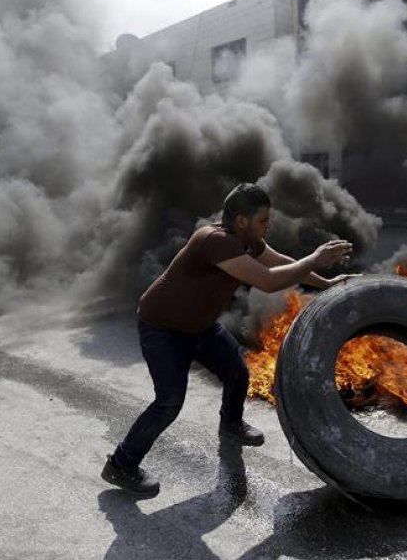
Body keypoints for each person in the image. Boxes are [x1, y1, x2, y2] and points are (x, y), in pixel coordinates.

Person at [102, 182, 354, 497]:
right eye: (263, 220)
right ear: (240, 221)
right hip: (163, 329)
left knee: (238, 372)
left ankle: (231, 425)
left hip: (201, 327)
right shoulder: (215, 241)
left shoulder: (249, 242)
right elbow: (268, 280)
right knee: (168, 403)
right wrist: (315, 259)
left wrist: (325, 282)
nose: (268, 225)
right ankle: (121, 464)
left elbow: (280, 264)